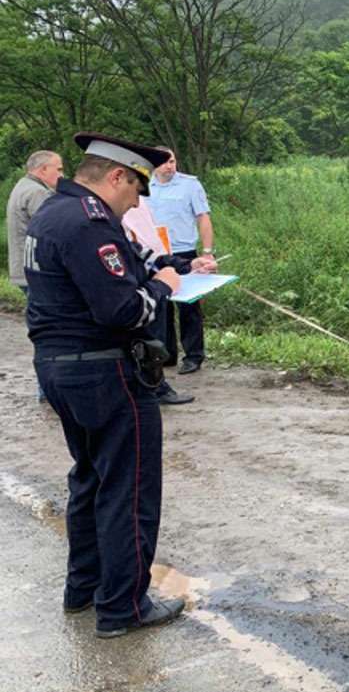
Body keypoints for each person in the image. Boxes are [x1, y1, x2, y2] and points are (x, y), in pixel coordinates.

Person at [24, 131, 213, 638]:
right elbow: (123, 307)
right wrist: (164, 288)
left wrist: (176, 266)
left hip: (61, 367)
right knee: (127, 489)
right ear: (116, 177)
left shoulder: (55, 213)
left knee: (89, 478)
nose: (137, 202)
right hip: (104, 372)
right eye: (135, 191)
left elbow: (126, 268)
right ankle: (123, 607)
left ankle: (82, 589)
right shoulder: (89, 225)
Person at [122, 196, 200, 405]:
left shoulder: (134, 209)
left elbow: (148, 254)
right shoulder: (104, 226)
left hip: (150, 284)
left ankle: (156, 386)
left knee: (154, 339)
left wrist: (188, 265)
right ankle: (152, 389)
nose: (136, 202)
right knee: (146, 341)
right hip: (135, 290)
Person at [146, 147, 214, 374]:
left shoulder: (190, 185)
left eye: (172, 161)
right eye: (164, 162)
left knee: (189, 307)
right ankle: (166, 354)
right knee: (160, 304)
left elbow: (203, 217)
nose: (169, 166)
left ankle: (193, 355)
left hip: (184, 253)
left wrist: (207, 251)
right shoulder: (144, 186)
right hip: (155, 254)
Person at [7, 151, 63, 400]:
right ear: (42, 170)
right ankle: (50, 391)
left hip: (23, 271)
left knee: (42, 330)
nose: (62, 175)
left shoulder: (23, 186)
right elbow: (54, 230)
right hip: (37, 274)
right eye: (58, 169)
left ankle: (47, 389)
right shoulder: (37, 193)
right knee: (51, 333)